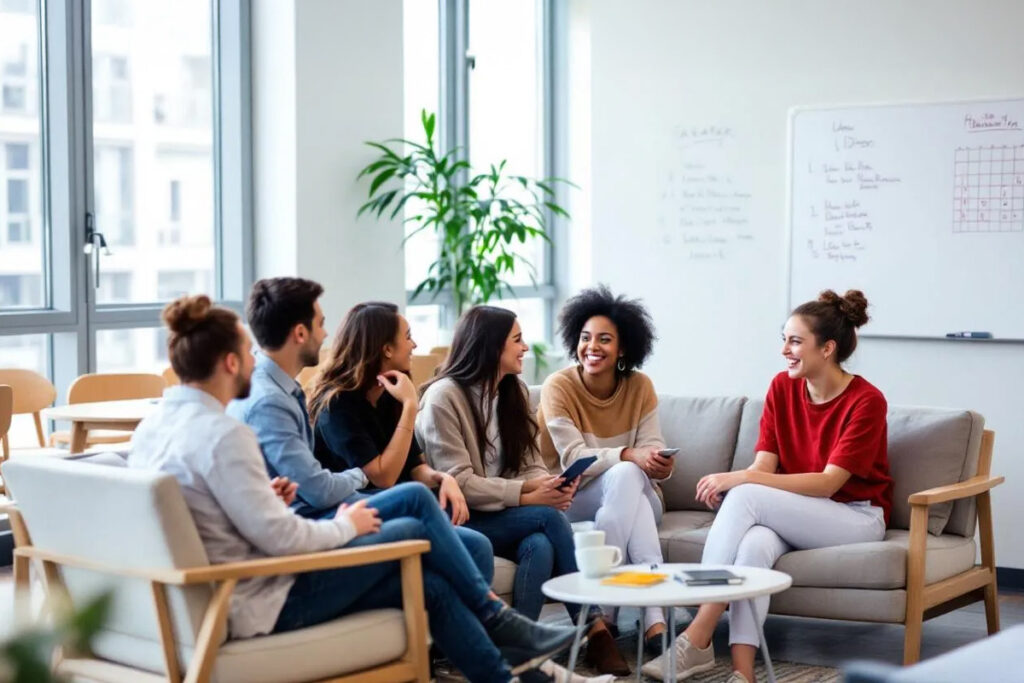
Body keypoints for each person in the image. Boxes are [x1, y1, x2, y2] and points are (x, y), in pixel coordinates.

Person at [130, 294, 577, 683]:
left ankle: (506, 666)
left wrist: (268, 498)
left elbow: (211, 515)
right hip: (262, 598)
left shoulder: (154, 428)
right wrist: (347, 525)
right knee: (416, 509)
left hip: (223, 590)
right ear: (229, 363)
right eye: (248, 352)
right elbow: (282, 539)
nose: (255, 361)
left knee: (432, 582)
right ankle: (501, 623)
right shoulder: (225, 435)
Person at [643, 289, 893, 683]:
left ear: (827, 348)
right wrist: (746, 478)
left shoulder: (866, 401)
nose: (784, 351)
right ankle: (744, 673)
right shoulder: (782, 388)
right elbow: (765, 464)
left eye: (795, 341)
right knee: (754, 544)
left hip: (855, 515)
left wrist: (739, 479)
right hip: (797, 513)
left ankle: (698, 634)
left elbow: (829, 484)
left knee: (745, 495)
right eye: (784, 339)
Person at [228, 281, 492, 583]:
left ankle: (490, 622)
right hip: (343, 505)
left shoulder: (384, 394)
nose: (326, 333)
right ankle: (492, 615)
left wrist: (443, 478)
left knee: (475, 542)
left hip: (357, 500)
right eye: (320, 324)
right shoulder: (332, 404)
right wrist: (410, 408)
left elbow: (415, 466)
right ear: (386, 349)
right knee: (432, 510)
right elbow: (380, 477)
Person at [416, 306, 630, 676]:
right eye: (517, 340)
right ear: (490, 346)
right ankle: (594, 626)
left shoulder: (511, 392)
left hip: (503, 516)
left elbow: (530, 461)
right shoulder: (443, 398)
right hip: (461, 518)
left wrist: (546, 484)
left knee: (541, 543)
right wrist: (530, 497)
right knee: (546, 519)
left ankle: (519, 657)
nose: (525, 347)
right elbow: (461, 481)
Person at [538, 286, 673, 653]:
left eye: (604, 340)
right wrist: (630, 455)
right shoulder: (559, 386)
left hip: (637, 491)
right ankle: (654, 616)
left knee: (630, 478)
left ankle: (605, 615)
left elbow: (652, 445)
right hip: (573, 495)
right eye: (585, 338)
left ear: (623, 348)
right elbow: (573, 457)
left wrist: (658, 463)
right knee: (628, 476)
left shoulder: (640, 386)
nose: (592, 347)